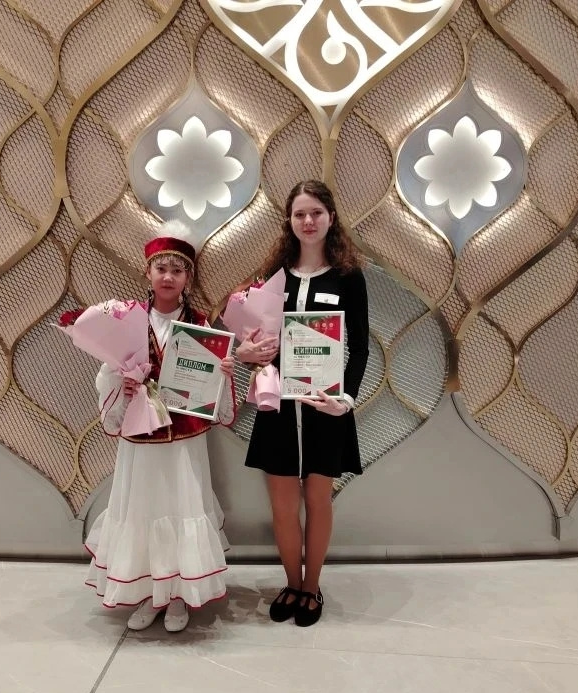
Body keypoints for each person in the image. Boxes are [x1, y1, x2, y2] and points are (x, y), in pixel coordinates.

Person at [84, 236, 236, 633]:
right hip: (142, 437)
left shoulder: (199, 324)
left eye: (178, 270)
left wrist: (222, 374)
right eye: (161, 268)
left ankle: (179, 594)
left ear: (188, 277)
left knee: (181, 505)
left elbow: (211, 387)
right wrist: (121, 385)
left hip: (183, 439)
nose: (168, 277)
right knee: (144, 509)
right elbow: (107, 373)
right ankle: (150, 592)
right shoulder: (127, 320)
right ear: (148, 272)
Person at [236, 180, 369, 627]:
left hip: (324, 408)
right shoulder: (275, 277)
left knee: (318, 500)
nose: (308, 221)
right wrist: (248, 352)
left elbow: (361, 347)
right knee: (282, 506)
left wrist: (345, 399)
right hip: (278, 408)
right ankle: (291, 583)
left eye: (315, 213)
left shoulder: (348, 276)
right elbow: (254, 336)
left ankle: (312, 587)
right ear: (289, 221)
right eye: (299, 214)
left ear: (330, 217)